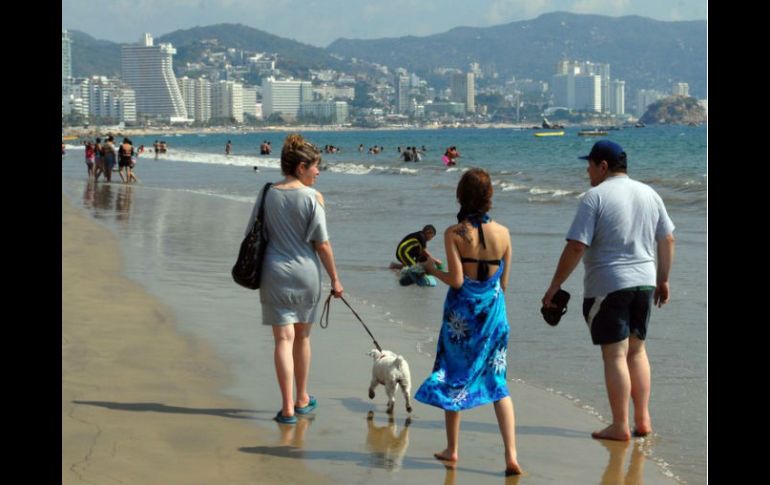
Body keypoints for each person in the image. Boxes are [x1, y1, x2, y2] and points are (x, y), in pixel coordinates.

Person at [541, 140, 675, 441]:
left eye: (589, 164)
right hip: (644, 282)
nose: (587, 170)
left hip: (609, 285)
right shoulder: (650, 193)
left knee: (615, 356)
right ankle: (642, 420)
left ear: (603, 166)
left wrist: (555, 285)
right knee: (637, 351)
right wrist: (663, 279)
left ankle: (619, 425)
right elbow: (667, 239)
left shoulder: (594, 197)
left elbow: (577, 245)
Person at [415, 168, 521, 476]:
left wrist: (430, 269)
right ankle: (511, 454)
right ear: (489, 198)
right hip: (495, 316)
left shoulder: (454, 233)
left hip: (462, 318)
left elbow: (458, 280)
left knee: (453, 376)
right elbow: (503, 285)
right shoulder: (504, 233)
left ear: (462, 196)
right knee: (498, 383)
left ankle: (452, 449)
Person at [244, 133, 344, 424]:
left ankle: (287, 407)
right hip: (306, 274)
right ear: (301, 167)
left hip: (273, 273)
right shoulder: (313, 197)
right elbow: (321, 243)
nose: (318, 172)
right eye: (315, 166)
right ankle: (302, 398)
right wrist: (336, 279)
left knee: (282, 340)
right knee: (302, 337)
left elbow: (253, 231)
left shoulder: (267, 192)